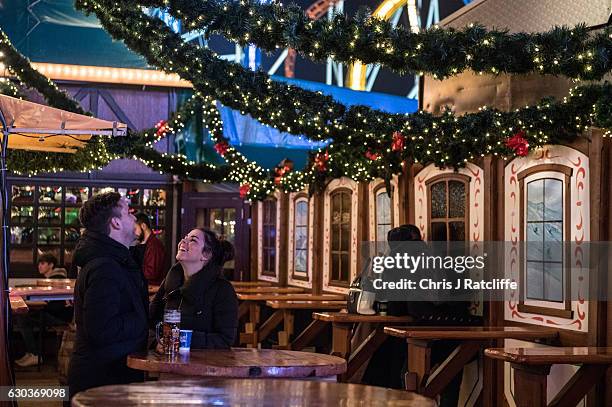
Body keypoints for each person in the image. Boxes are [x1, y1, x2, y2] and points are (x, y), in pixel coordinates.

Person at [68, 192, 148, 397]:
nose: (134, 218)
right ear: (115, 224)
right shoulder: (105, 267)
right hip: (102, 380)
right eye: (128, 213)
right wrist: (143, 320)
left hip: (110, 373)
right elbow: (101, 330)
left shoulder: (113, 261)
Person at [150, 228, 238, 349]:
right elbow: (149, 320)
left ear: (206, 255)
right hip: (166, 361)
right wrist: (156, 342)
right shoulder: (170, 281)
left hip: (204, 364)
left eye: (193, 240)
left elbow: (225, 339)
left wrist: (181, 339)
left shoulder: (222, 289)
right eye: (185, 237)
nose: (183, 241)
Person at [13, 253, 72, 367]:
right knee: (23, 316)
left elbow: (49, 304)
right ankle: (32, 353)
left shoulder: (56, 280)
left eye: (43, 263)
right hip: (57, 315)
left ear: (51, 265)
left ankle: (34, 354)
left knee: (23, 317)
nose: (39, 266)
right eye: (39, 263)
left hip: (60, 318)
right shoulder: (51, 279)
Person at [133, 213, 168, 285]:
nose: (134, 232)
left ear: (143, 226)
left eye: (135, 228)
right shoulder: (145, 243)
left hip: (152, 290)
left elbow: (151, 274)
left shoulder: (154, 245)